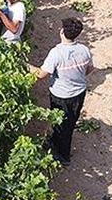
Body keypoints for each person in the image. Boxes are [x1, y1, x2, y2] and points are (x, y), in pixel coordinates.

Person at [37, 17, 94, 164]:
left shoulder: (56, 52)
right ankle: (54, 142)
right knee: (69, 121)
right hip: (79, 93)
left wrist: (27, 66)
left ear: (62, 31)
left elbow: (42, 74)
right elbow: (90, 69)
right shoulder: (84, 50)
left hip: (61, 95)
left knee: (62, 125)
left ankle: (63, 156)